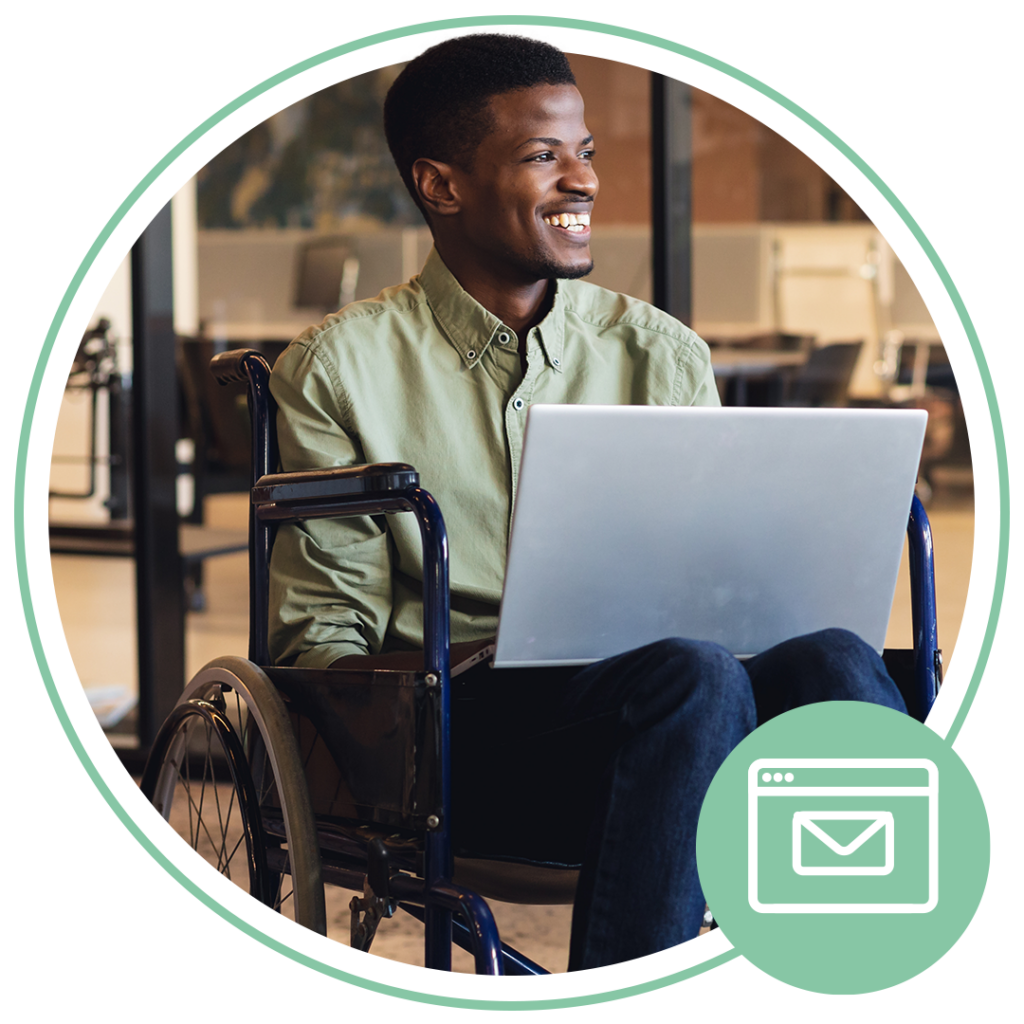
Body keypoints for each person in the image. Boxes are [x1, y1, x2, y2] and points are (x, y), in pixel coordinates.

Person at [268, 31, 906, 971]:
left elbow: (720, 585)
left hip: (676, 710)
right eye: (542, 155)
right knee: (693, 675)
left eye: (587, 152)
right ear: (441, 185)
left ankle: (863, 954)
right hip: (461, 738)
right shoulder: (340, 370)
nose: (583, 181)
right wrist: (470, 659)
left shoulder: (660, 352)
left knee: (838, 659)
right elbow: (321, 641)